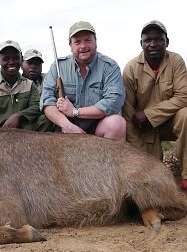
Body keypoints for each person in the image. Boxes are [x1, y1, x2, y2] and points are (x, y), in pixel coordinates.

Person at [123, 20, 187, 191]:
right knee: (153, 179)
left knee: (186, 115)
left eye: (158, 39)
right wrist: (140, 152)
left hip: (171, 122)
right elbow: (128, 117)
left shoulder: (176, 61)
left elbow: (184, 96)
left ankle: (186, 178)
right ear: (141, 43)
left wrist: (150, 114)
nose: (153, 44)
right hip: (145, 130)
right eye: (147, 40)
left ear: (167, 42)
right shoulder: (130, 69)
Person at [40, 21, 126, 140]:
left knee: (117, 123)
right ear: (70, 45)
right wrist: (67, 125)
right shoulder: (58, 66)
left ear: (96, 42)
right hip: (66, 127)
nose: (83, 46)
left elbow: (113, 103)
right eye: (77, 42)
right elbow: (46, 101)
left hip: (97, 127)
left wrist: (75, 112)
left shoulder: (110, 67)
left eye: (88, 40)